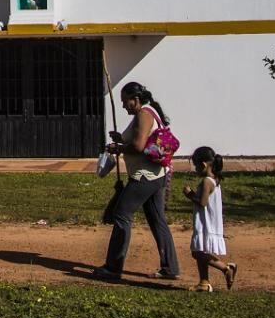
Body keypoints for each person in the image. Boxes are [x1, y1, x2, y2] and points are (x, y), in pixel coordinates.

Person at [91, 81, 180, 281]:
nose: (123, 106)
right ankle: (170, 267)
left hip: (144, 176)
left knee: (121, 215)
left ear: (136, 99)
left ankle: (113, 267)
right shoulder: (150, 112)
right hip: (157, 175)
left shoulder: (144, 114)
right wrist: (121, 140)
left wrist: (118, 149)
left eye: (126, 102)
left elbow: (139, 146)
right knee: (157, 220)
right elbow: (141, 141)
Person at [182, 145, 237, 292]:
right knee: (202, 250)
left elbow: (202, 202)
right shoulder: (215, 179)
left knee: (197, 252)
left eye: (196, 166)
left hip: (205, 223)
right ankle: (204, 282)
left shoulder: (207, 181)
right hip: (209, 222)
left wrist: (190, 195)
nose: (195, 170)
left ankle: (226, 268)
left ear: (203, 164)